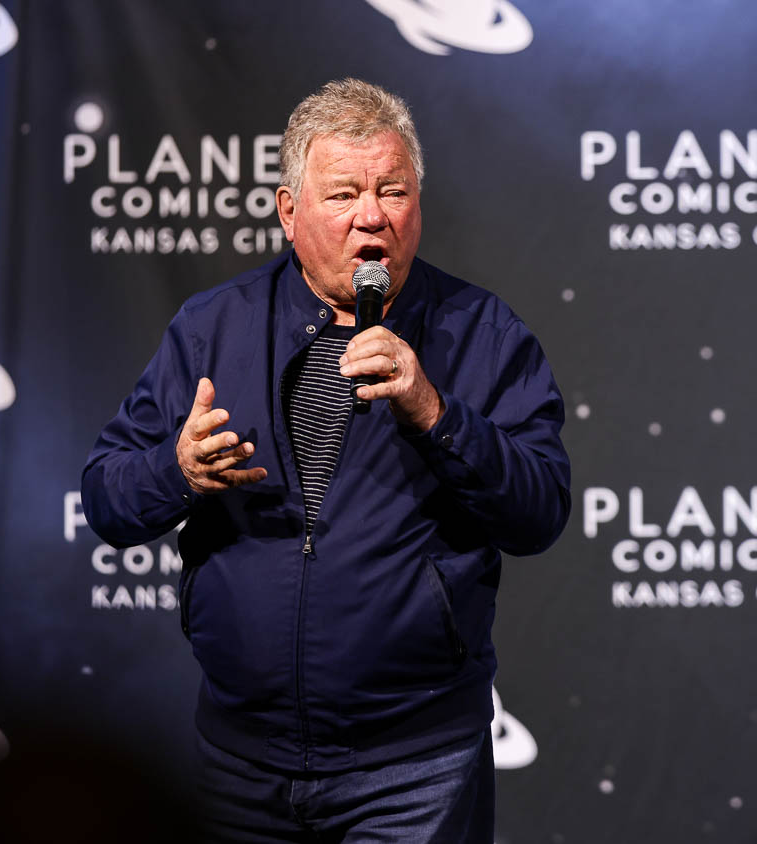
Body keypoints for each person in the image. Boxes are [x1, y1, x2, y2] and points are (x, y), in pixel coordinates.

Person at [81, 78, 570, 842]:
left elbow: (539, 511)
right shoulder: (212, 328)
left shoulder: (483, 332)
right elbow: (106, 500)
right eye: (344, 193)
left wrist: (436, 414)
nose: (372, 216)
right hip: (239, 766)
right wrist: (176, 472)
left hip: (416, 769)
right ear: (288, 211)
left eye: (393, 191)